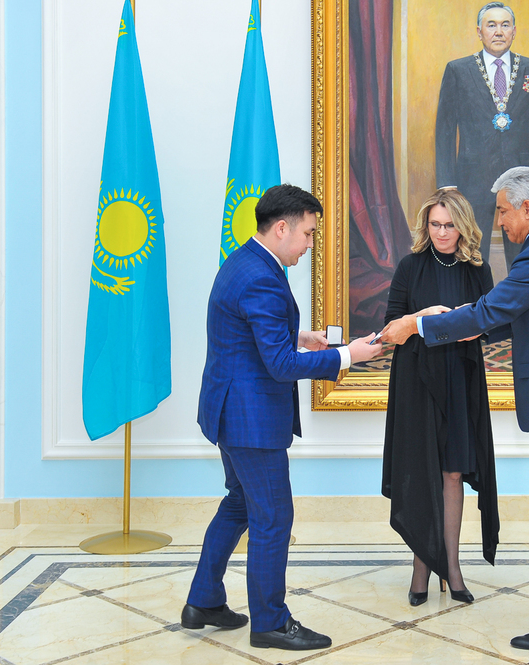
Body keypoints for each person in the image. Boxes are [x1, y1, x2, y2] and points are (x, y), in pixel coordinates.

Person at [381, 167, 529, 652]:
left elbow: (490, 311)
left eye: (505, 211)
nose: (501, 221)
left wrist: (419, 326)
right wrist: (467, 327)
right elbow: (512, 317)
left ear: (528, 209)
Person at [183, 184, 382, 651]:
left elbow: (250, 332)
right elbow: (279, 365)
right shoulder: (262, 277)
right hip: (250, 420)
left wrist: (301, 335)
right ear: (281, 228)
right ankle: (270, 623)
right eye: (308, 234)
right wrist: (347, 356)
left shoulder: (245, 261)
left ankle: (204, 601)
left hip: (229, 410)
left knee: (240, 503)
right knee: (273, 517)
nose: (310, 244)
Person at [381, 189, 500, 607]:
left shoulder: (477, 270)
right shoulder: (410, 266)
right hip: (416, 379)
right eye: (435, 224)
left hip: (461, 378)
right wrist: (422, 317)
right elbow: (390, 329)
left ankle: (452, 567)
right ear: (425, 225)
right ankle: (421, 567)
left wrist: (466, 322)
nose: (442, 232)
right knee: (422, 472)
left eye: (449, 225)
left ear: (463, 227)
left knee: (452, 473)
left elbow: (490, 324)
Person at [435, 2, 529, 272]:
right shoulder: (458, 70)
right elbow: (445, 129)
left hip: (522, 178)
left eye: (505, 25)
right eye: (491, 25)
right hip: (472, 176)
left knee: (523, 249)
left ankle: (522, 296)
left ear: (514, 31)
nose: (498, 31)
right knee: (471, 248)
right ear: (479, 32)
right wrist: (446, 182)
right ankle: (472, 298)